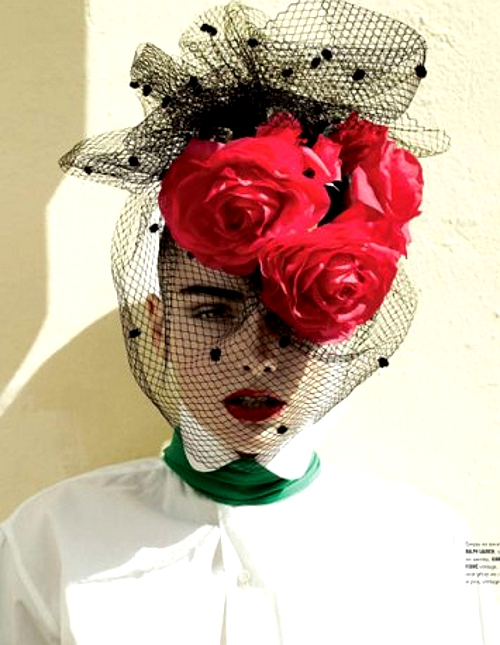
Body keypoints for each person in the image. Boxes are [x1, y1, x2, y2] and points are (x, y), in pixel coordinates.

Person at [1, 1, 499, 643]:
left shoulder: (433, 549)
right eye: (211, 310)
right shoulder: (47, 541)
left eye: (296, 315)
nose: (255, 355)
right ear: (159, 326)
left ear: (348, 322)